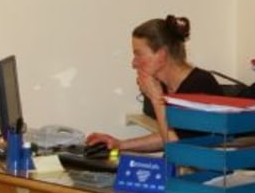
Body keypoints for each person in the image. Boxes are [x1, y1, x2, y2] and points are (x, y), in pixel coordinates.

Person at [85, 14, 223, 153]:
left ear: (161, 54)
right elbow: (169, 135)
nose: (134, 63)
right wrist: (119, 144)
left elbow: (176, 147)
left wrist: (157, 101)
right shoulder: (162, 86)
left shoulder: (200, 85)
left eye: (138, 54)